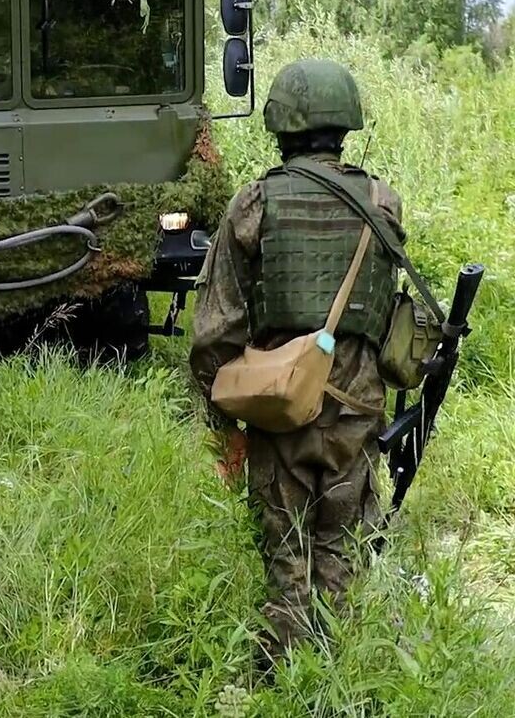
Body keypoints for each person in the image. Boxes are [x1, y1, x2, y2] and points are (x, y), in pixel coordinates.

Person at [189, 59, 403, 666]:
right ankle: (336, 673)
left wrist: (220, 416)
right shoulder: (381, 204)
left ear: (280, 127)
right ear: (346, 126)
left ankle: (286, 671)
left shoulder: (254, 205)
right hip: (356, 407)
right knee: (343, 542)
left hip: (278, 406)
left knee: (286, 551)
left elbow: (215, 330)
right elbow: (388, 318)